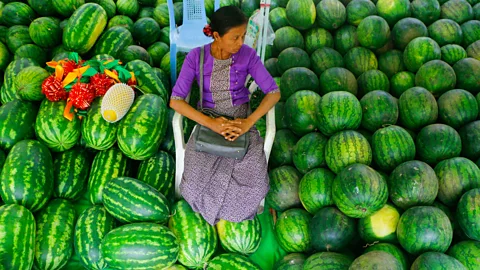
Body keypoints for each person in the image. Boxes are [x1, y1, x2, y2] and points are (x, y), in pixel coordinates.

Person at [169, 5, 281, 226]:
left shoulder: (247, 55)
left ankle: (225, 212)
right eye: (235, 37)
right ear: (217, 36)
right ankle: (216, 211)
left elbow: (273, 92)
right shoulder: (196, 57)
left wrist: (249, 122)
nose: (241, 43)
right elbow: (176, 101)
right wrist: (212, 124)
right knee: (194, 183)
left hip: (240, 120)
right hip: (207, 119)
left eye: (244, 36)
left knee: (254, 182)